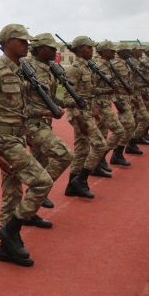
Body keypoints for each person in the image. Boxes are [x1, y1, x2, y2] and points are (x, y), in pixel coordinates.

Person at [0, 24, 53, 267]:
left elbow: (19, 108)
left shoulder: (22, 70)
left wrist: (42, 111)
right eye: (22, 41)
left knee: (11, 194)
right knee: (43, 182)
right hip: (4, 141)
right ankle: (11, 231)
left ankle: (6, 248)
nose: (27, 45)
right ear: (8, 42)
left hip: (18, 136)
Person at [24, 33, 73, 216]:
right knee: (65, 155)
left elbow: (49, 98)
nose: (55, 51)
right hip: (33, 124)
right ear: (39, 49)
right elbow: (21, 103)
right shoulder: (29, 70)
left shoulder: (49, 69)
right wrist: (42, 113)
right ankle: (38, 189)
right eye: (51, 48)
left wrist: (68, 103)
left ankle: (31, 212)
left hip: (45, 123)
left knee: (40, 164)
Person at [62, 37, 108, 199]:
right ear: (80, 49)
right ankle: (80, 180)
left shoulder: (87, 67)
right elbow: (68, 96)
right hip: (79, 114)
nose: (92, 50)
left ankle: (71, 186)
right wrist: (78, 118)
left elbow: (87, 93)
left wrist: (94, 108)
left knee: (81, 150)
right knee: (101, 145)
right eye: (89, 47)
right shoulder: (74, 69)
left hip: (86, 111)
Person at [91, 40, 124, 178]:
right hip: (100, 105)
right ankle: (98, 159)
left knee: (103, 135)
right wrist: (107, 91)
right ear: (104, 52)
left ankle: (97, 164)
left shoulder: (109, 66)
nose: (115, 52)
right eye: (111, 50)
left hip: (106, 102)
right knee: (119, 130)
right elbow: (91, 89)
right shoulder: (99, 67)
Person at [109, 43, 139, 166]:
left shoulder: (127, 65)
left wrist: (132, 98)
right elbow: (111, 84)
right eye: (127, 50)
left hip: (126, 98)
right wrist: (115, 101)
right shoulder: (115, 65)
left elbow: (127, 84)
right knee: (129, 126)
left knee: (125, 127)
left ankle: (117, 153)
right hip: (120, 99)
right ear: (121, 52)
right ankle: (115, 153)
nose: (129, 52)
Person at [127, 44, 149, 154]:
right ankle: (131, 142)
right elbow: (130, 82)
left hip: (140, 92)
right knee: (143, 119)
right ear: (134, 51)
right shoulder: (130, 63)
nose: (142, 52)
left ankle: (135, 140)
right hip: (135, 94)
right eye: (139, 50)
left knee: (136, 119)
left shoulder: (137, 63)